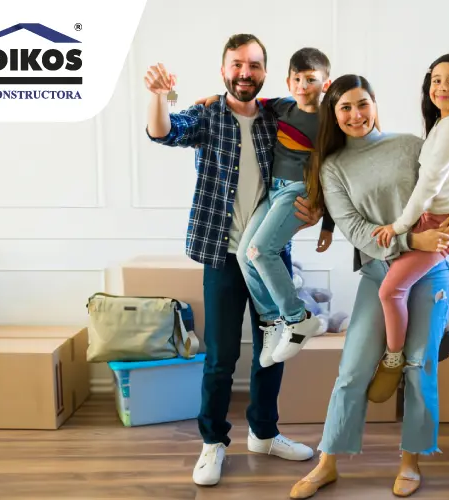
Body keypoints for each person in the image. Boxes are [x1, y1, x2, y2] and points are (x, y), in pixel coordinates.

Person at [289, 70, 449, 499]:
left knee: (421, 368)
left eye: (363, 104)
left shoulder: (412, 145)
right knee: (352, 370)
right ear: (333, 114)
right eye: (345, 107)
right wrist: (412, 238)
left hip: (431, 274)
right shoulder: (333, 168)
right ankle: (327, 463)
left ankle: (411, 462)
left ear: (375, 104)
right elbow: (357, 230)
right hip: (380, 273)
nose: (356, 114)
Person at [144, 33, 317, 488]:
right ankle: (213, 443)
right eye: (237, 65)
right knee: (220, 357)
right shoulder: (207, 115)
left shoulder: (279, 115)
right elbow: (163, 131)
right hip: (221, 255)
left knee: (271, 352)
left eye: (254, 65)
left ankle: (264, 434)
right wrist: (160, 96)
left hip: (267, 257)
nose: (245, 73)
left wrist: (319, 206)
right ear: (223, 70)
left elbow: (322, 121)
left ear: (266, 72)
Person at [196, 47, 336, 367]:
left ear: (325, 85)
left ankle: (298, 318)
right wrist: (213, 101)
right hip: (271, 191)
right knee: (248, 255)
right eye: (297, 79)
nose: (302, 86)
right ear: (288, 82)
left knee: (261, 251)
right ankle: (273, 320)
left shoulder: (330, 123)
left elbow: (336, 174)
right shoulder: (282, 108)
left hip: (297, 191)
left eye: (311, 80)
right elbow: (246, 101)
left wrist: (327, 223)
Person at [367, 53, 449, 402]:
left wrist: (400, 226)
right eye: (437, 79)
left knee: (390, 291)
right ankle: (442, 325)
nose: (443, 87)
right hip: (433, 220)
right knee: (405, 285)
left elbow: (430, 184)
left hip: (436, 224)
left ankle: (394, 358)